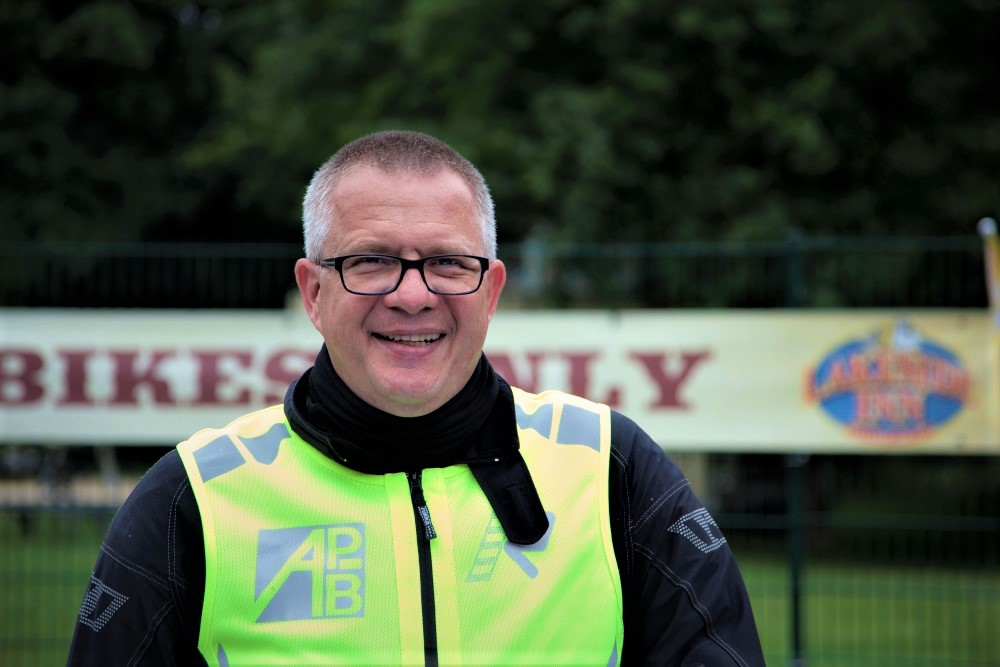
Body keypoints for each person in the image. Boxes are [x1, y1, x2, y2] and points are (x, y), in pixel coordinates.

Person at [68, 130, 765, 666]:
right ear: (314, 292)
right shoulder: (194, 498)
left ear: (490, 292)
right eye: (371, 260)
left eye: (447, 262)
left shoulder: (610, 468)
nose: (411, 294)